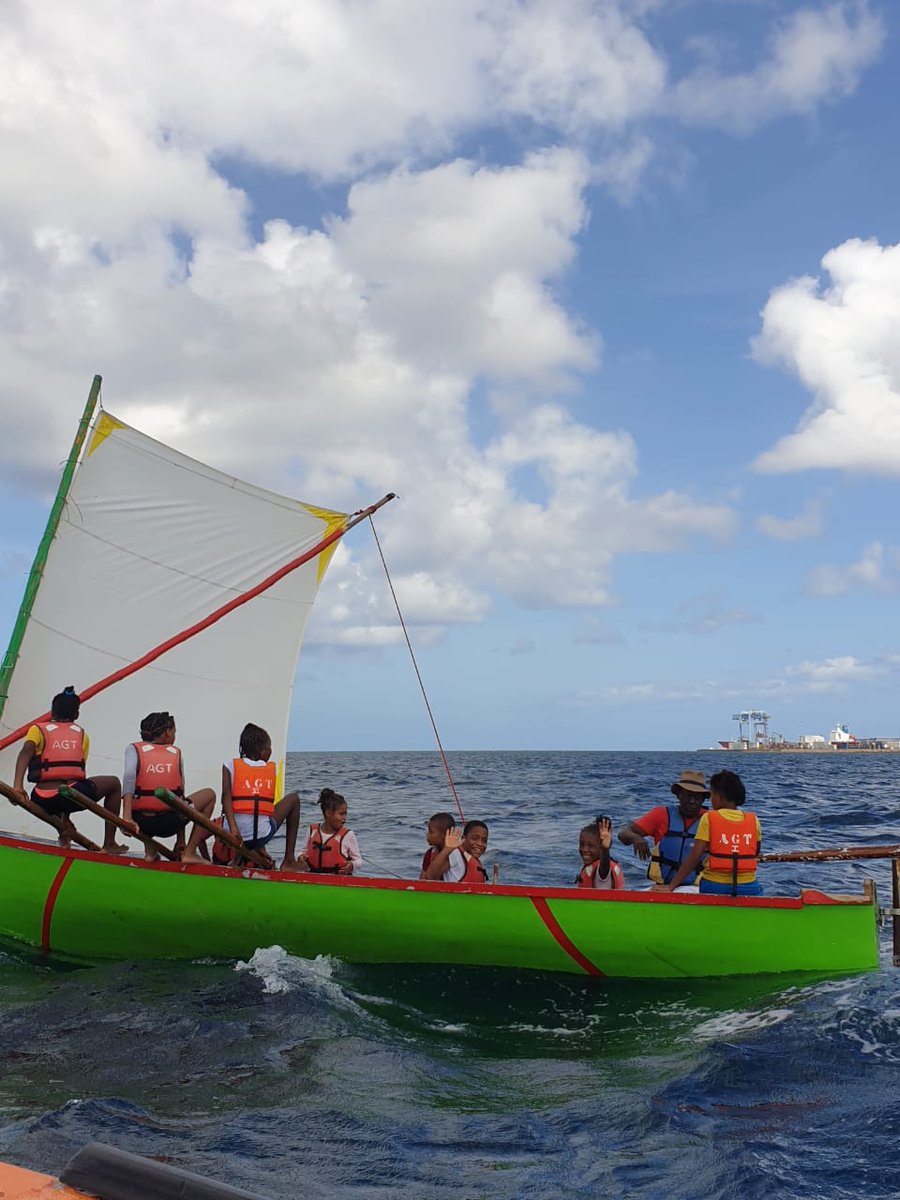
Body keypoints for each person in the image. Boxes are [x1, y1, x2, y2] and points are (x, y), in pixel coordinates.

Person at [12, 686, 127, 853]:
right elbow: (74, 779)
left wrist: (18, 786)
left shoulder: (38, 730)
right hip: (70, 797)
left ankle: (63, 831)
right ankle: (109, 843)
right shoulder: (81, 735)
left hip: (41, 798)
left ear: (52, 712)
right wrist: (66, 815)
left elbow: (25, 752)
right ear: (77, 714)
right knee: (114, 783)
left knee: (66, 793)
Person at [193, 722, 303, 870]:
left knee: (247, 818)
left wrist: (233, 829)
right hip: (259, 836)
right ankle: (289, 860)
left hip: (231, 836)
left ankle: (238, 859)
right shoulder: (269, 768)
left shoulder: (229, 765)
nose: (271, 751)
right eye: (269, 747)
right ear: (263, 751)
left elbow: (226, 797)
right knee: (294, 799)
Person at [121, 712, 216, 863]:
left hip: (140, 824)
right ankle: (189, 852)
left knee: (146, 800)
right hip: (170, 823)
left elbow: (129, 777)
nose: (175, 736)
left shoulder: (133, 749)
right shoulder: (176, 753)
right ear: (167, 732)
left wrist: (127, 817)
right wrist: (181, 839)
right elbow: (180, 796)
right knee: (209, 795)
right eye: (174, 732)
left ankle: (150, 852)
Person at [656, 769, 762, 897]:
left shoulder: (709, 818)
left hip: (715, 885)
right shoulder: (754, 820)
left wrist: (671, 886)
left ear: (719, 796)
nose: (711, 800)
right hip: (748, 886)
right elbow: (755, 852)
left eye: (712, 795)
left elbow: (695, 856)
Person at [617, 769, 710, 887]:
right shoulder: (661, 815)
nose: (692, 801)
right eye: (688, 796)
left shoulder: (711, 819)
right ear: (679, 795)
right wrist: (636, 838)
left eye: (697, 797)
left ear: (703, 799)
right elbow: (623, 834)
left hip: (698, 888)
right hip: (663, 886)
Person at [298, 787, 362, 875]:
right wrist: (300, 857)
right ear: (328, 813)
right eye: (341, 814)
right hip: (313, 876)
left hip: (338, 878)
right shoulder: (312, 830)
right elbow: (303, 851)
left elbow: (358, 860)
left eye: (345, 814)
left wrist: (352, 865)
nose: (344, 818)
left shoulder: (348, 835)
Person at [422, 818, 489, 884]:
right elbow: (430, 877)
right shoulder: (455, 853)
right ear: (463, 838)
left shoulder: (468, 857)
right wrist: (447, 849)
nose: (480, 844)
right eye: (474, 838)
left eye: (484, 840)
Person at [577, 816, 625, 890]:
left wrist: (605, 849)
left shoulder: (602, 872)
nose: (584, 849)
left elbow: (604, 866)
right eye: (582, 844)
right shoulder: (590, 868)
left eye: (591, 845)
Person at [420, 811, 457, 878]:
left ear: (445, 834)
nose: (427, 834)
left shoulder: (454, 853)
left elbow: (430, 877)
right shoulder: (430, 852)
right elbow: (422, 880)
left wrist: (447, 849)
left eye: (431, 832)